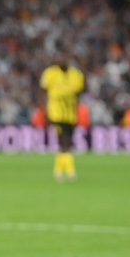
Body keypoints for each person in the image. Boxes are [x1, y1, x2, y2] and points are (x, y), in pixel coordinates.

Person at [40, 52, 85, 181]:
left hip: (70, 114)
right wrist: (45, 111)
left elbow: (78, 94)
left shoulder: (76, 75)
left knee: (65, 142)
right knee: (64, 141)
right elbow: (43, 91)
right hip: (56, 113)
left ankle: (58, 171)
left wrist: (77, 111)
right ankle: (70, 171)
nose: (62, 61)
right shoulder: (50, 74)